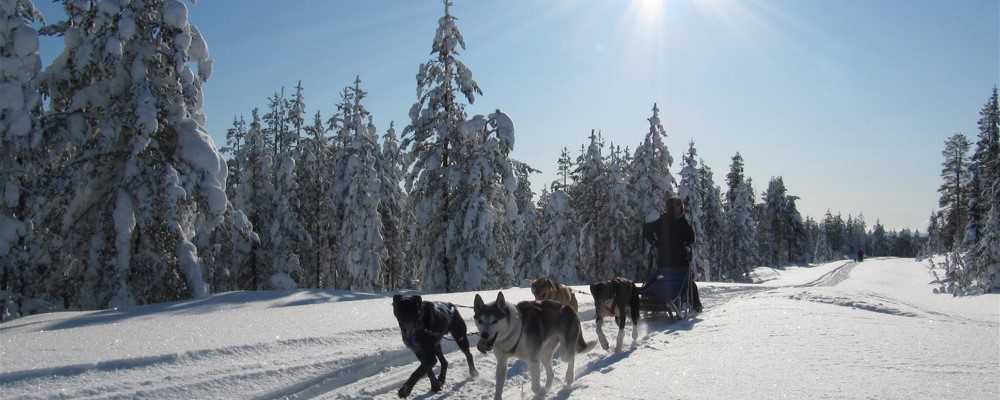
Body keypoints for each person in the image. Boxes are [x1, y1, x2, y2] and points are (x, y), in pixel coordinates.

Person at [642, 197, 702, 313]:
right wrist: (655, 242)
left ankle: (693, 304)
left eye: (677, 207)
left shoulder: (666, 220)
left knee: (660, 280)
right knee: (688, 284)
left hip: (666, 262)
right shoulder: (680, 222)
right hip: (677, 263)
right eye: (675, 207)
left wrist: (654, 242)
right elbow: (691, 239)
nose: (676, 209)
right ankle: (696, 305)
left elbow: (647, 228)